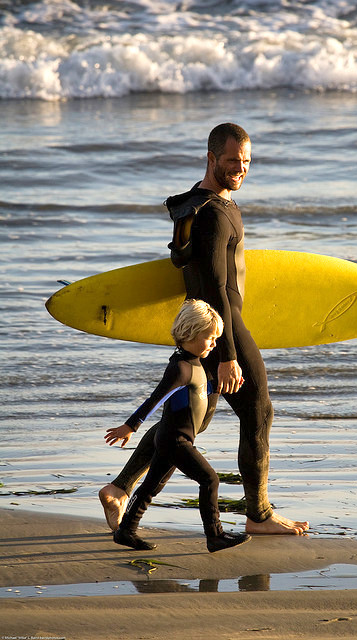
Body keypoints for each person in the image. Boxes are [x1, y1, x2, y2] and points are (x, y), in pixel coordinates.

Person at [100, 123, 309, 536]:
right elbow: (215, 285)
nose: (241, 168)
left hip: (204, 327)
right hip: (220, 327)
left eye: (246, 161)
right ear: (211, 157)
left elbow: (190, 269)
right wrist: (227, 353)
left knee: (192, 419)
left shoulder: (197, 206)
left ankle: (119, 488)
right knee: (258, 413)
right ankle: (259, 515)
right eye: (232, 160)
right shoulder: (212, 213)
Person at [112, 299, 251, 552]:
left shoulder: (195, 363)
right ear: (190, 333)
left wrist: (215, 387)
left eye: (216, 338)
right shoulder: (179, 367)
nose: (214, 343)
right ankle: (215, 535)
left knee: (151, 486)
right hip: (175, 440)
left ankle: (126, 531)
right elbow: (156, 398)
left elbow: (195, 390)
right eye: (210, 337)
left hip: (176, 439)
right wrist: (131, 426)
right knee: (209, 479)